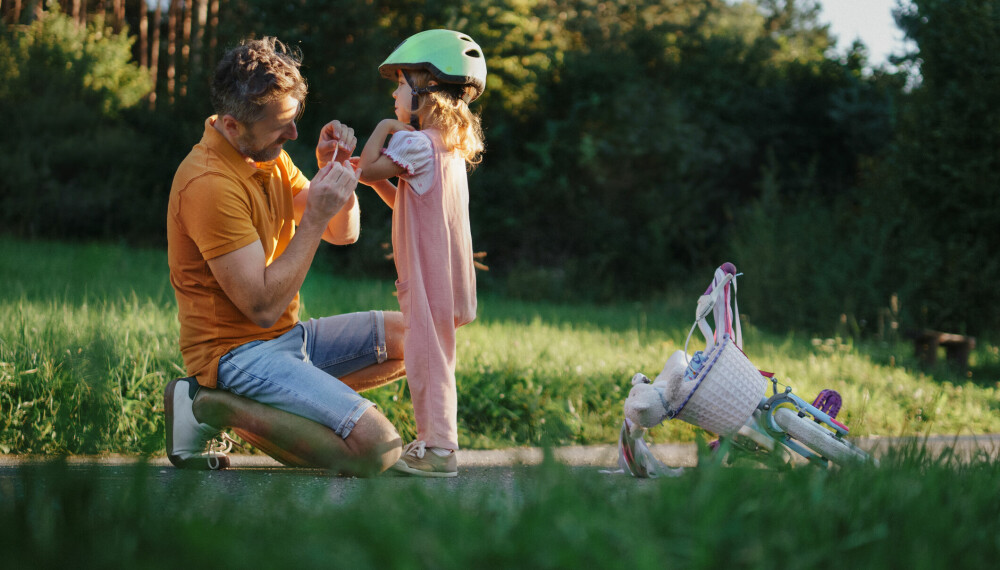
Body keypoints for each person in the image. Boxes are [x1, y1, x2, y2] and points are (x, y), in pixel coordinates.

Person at [165, 36, 407, 476]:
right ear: (234, 126)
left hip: (287, 340)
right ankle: (211, 406)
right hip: (235, 356)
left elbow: (343, 232)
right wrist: (312, 218)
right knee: (378, 451)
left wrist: (334, 169)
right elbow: (261, 308)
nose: (294, 134)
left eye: (295, 119)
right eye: (283, 126)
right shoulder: (209, 184)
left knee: (417, 341)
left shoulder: (266, 157)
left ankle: (290, 403)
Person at [357, 29, 487, 477]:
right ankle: (436, 444)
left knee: (426, 358)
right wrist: (372, 177)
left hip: (428, 277)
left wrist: (382, 129)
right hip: (443, 276)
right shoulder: (444, 150)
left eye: (400, 83)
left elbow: (371, 165)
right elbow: (406, 202)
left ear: (427, 91)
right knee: (433, 355)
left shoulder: (414, 142)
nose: (394, 93)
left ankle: (439, 450)